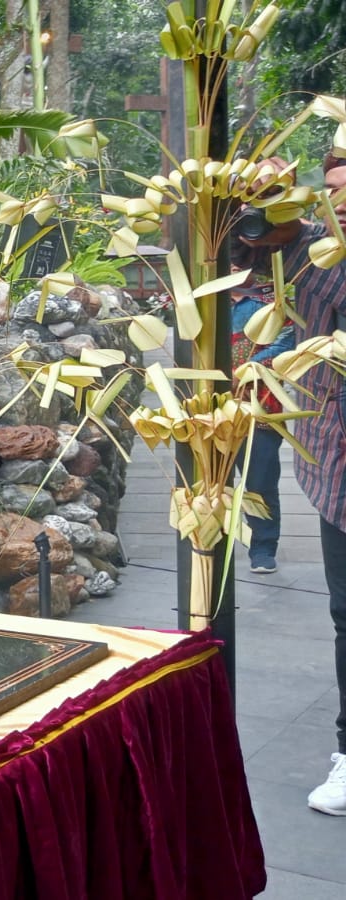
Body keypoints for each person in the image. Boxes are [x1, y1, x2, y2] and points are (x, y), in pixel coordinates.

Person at [239, 157, 346, 815]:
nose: (338, 198)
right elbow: (240, 246)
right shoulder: (305, 247)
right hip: (338, 455)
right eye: (330, 188)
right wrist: (257, 201)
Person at [226, 244, 295, 575]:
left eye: (239, 262)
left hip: (261, 403)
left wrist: (252, 366)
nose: (233, 269)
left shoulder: (273, 303)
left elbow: (288, 340)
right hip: (211, 406)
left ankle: (263, 547)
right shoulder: (204, 304)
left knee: (260, 479)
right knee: (214, 479)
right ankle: (215, 540)